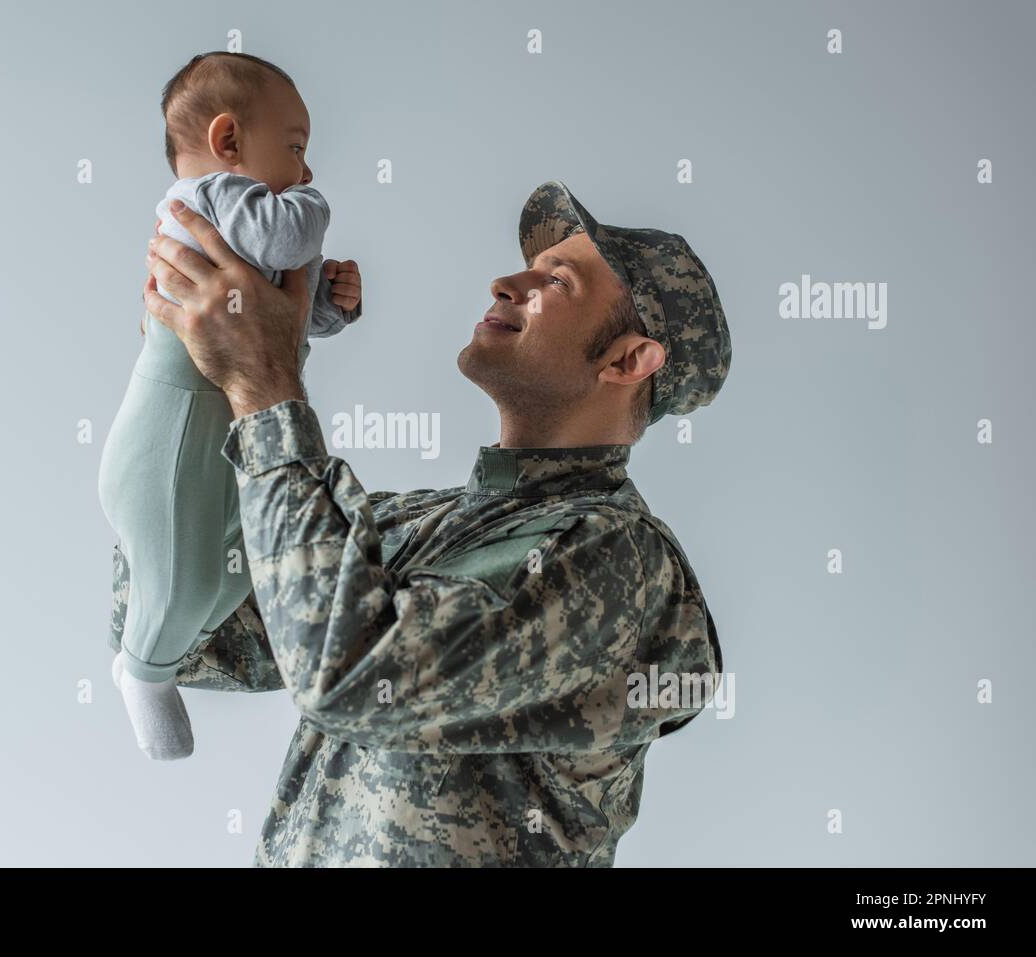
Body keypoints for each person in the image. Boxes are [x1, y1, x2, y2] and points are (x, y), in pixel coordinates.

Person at [109, 179, 732, 866]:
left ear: (628, 359)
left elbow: (342, 674)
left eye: (557, 280)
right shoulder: (410, 523)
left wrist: (264, 382)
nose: (506, 280)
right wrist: (189, 375)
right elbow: (201, 639)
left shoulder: (623, 561)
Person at [97, 51, 362, 760]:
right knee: (186, 582)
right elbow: (290, 235)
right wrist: (314, 211)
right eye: (298, 148)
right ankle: (146, 676)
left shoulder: (243, 222)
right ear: (228, 143)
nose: (306, 171)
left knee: (221, 585)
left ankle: (145, 659)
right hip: (172, 435)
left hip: (212, 440)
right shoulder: (209, 198)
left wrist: (331, 304)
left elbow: (283, 320)